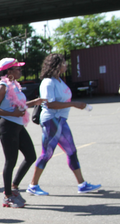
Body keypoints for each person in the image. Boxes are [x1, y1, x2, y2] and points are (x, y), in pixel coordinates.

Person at [27, 54, 102, 195]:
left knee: (72, 151)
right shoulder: (48, 82)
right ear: (56, 65)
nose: (66, 65)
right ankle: (33, 185)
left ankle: (82, 184)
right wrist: (73, 104)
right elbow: (49, 103)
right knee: (47, 153)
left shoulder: (59, 80)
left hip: (60, 120)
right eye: (63, 63)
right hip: (51, 120)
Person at [0, 58, 46, 208]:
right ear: (9, 71)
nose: (20, 71)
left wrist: (35, 102)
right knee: (11, 161)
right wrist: (12, 114)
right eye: (18, 69)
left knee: (31, 156)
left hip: (17, 125)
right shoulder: (2, 87)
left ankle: (14, 187)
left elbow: (18, 106)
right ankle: (7, 196)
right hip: (7, 126)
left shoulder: (14, 85)